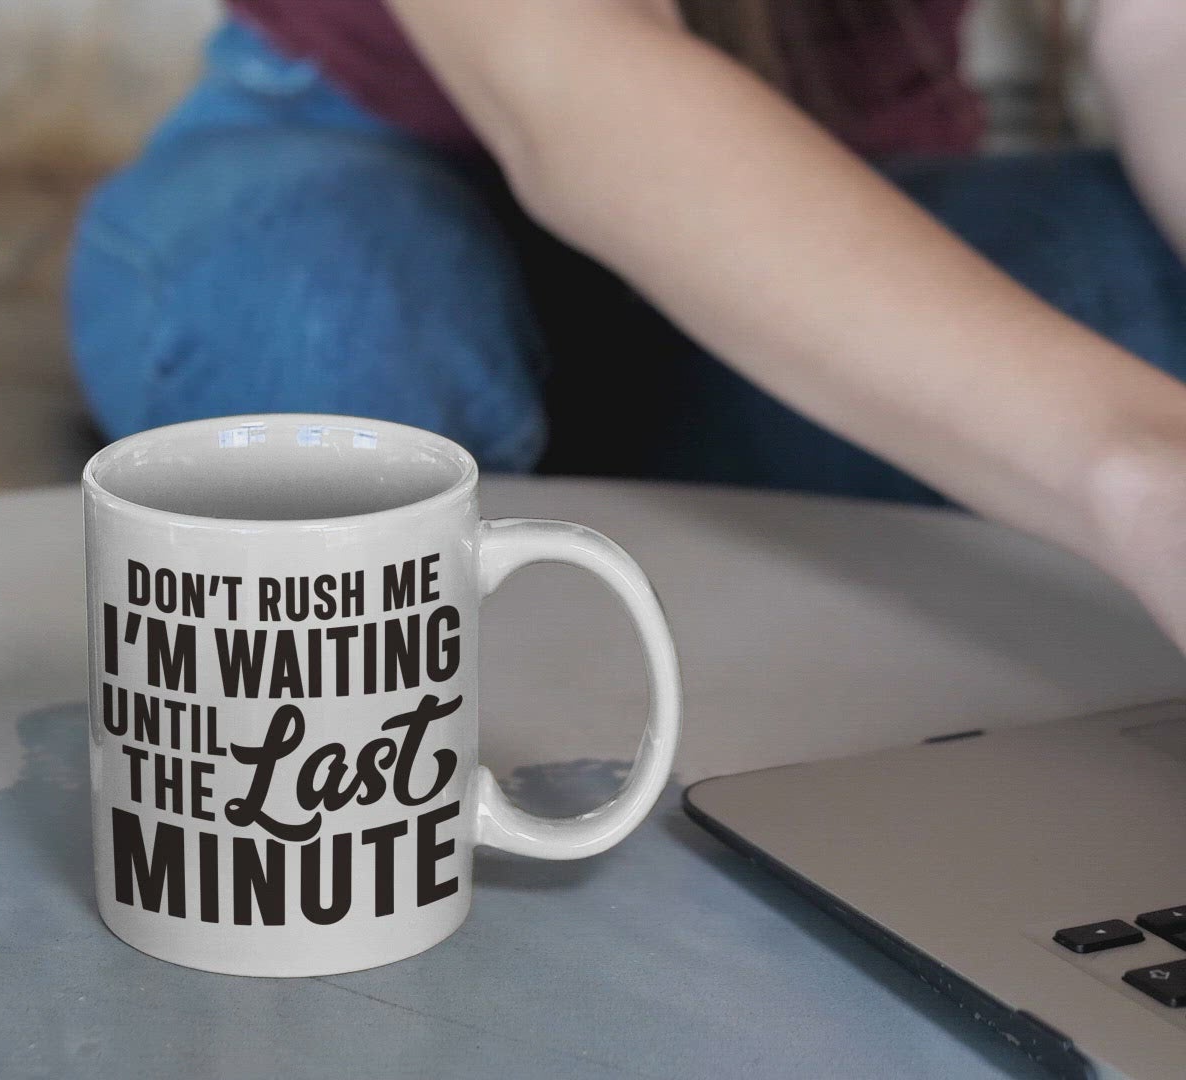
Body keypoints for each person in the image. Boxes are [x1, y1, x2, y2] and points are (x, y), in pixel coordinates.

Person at [67, 0, 1186, 650]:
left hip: (842, 225)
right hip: (363, 157)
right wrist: (1139, 469)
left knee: (1143, 288)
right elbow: (570, 88)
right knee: (328, 327)